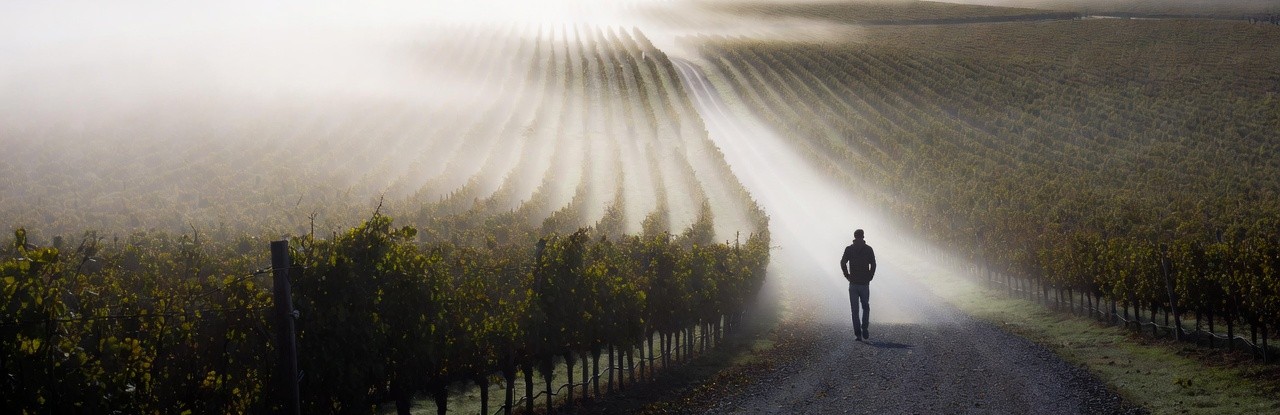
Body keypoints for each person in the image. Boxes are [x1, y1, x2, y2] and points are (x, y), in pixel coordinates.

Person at [840, 229, 876, 341]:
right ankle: (864, 327)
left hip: (853, 284)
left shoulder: (849, 249)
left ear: (854, 237)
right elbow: (873, 264)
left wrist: (847, 275)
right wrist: (870, 276)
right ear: (863, 236)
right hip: (864, 284)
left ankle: (858, 334)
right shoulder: (868, 249)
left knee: (854, 310)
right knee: (866, 307)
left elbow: (842, 262)